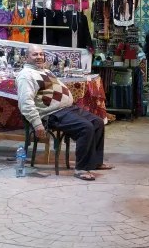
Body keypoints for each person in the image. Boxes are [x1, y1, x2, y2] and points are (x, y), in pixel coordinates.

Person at [16, 45, 111, 181]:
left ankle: (95, 162)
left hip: (66, 109)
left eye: (41, 54)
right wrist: (37, 124)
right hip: (52, 114)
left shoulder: (44, 71)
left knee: (97, 122)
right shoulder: (26, 76)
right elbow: (25, 103)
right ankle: (82, 168)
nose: (39, 57)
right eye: (35, 55)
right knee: (86, 127)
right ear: (27, 57)